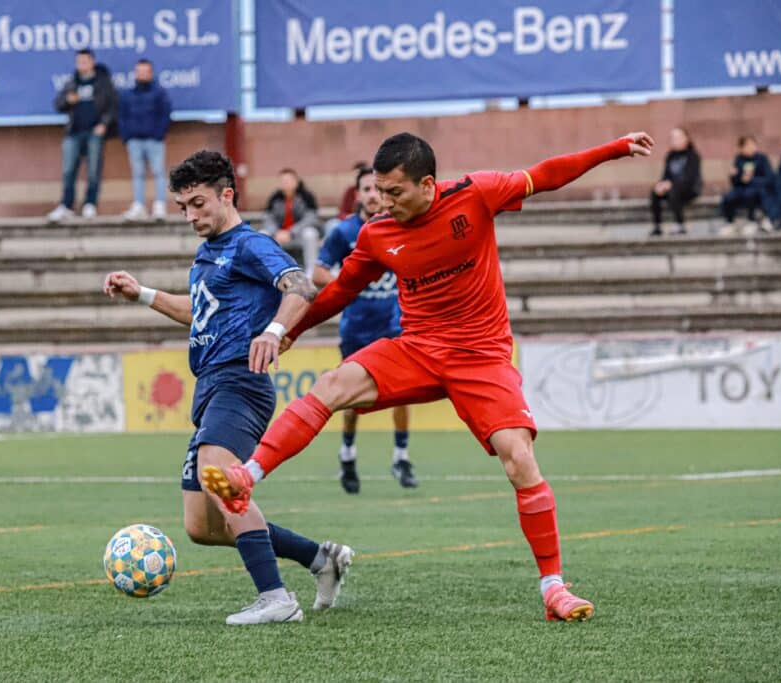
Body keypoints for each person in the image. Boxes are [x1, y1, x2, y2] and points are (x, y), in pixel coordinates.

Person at [202, 130, 657, 622]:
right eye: (375, 191)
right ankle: (246, 477)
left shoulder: (476, 194)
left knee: (519, 459)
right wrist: (291, 328)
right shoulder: (376, 233)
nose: (382, 202)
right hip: (417, 347)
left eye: (393, 192)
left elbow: (546, 174)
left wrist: (612, 148)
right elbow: (338, 292)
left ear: (427, 184)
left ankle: (554, 589)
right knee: (331, 386)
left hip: (482, 356)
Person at [103, 150, 352, 625]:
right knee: (202, 524)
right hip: (211, 386)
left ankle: (276, 599)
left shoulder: (248, 244)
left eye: (198, 203)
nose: (191, 215)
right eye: (183, 207)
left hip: (241, 381)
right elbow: (199, 314)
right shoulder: (208, 254)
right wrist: (144, 295)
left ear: (226, 195)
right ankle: (321, 559)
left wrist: (274, 331)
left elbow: (300, 287)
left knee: (222, 479)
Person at [313, 166, 415, 494]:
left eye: (377, 188)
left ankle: (401, 456)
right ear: (358, 194)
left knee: (403, 394)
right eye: (366, 189)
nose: (372, 194)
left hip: (393, 326)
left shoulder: (398, 225)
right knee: (352, 401)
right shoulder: (345, 233)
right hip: (356, 329)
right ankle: (348, 454)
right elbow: (317, 273)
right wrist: (348, 285)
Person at [47, 49, 118, 222]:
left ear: (92, 62)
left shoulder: (102, 82)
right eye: (79, 62)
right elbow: (58, 104)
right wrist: (67, 101)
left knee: (93, 170)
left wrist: (104, 124)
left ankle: (90, 204)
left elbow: (113, 106)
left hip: (94, 131)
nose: (81, 65)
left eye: (85, 61)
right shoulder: (72, 82)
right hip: (74, 132)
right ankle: (66, 205)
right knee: (68, 170)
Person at [119, 59, 172, 221]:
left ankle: (160, 206)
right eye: (139, 71)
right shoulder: (127, 94)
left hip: (154, 140)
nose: (141, 75)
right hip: (134, 140)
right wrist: (127, 135)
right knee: (138, 174)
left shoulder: (159, 93)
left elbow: (165, 114)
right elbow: (122, 116)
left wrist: (159, 133)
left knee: (158, 172)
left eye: (145, 71)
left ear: (151, 73)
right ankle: (139, 205)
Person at [649, 127, 702, 237]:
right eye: (672, 138)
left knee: (674, 191)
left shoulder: (693, 156)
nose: (674, 140)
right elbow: (665, 175)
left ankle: (680, 225)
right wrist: (661, 184)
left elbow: (690, 178)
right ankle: (657, 226)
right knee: (655, 192)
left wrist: (671, 185)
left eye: (678, 137)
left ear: (686, 139)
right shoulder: (670, 156)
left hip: (689, 189)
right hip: (671, 188)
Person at [720, 136, 775, 236]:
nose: (751, 148)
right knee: (728, 197)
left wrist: (752, 180)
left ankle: (752, 220)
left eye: (753, 145)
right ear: (741, 148)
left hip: (758, 188)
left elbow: (769, 178)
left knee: (750, 194)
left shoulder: (762, 159)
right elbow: (735, 182)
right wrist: (735, 176)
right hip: (742, 188)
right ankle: (730, 222)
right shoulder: (739, 159)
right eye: (747, 145)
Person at [261, 169, 320, 247]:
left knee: (310, 234)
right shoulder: (275, 198)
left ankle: (311, 260)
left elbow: (311, 218)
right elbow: (268, 217)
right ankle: (266, 259)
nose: (285, 183)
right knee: (263, 234)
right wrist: (275, 232)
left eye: (288, 180)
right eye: (283, 180)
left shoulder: (306, 197)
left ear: (296, 181)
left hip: (299, 233)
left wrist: (291, 232)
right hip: (278, 234)